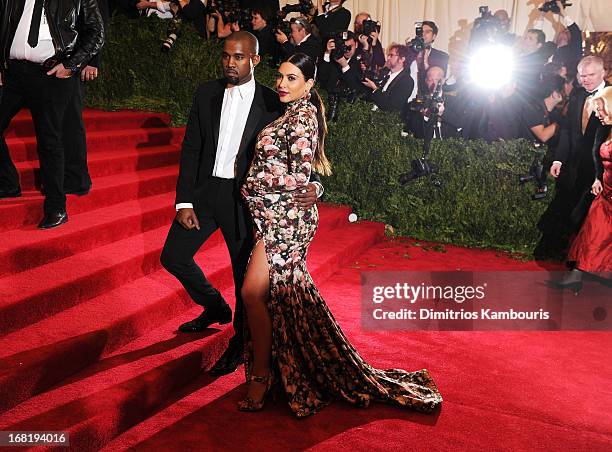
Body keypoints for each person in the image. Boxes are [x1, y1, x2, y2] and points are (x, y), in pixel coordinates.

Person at [237, 52, 443, 416]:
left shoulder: (303, 119)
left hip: (287, 221)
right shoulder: (290, 112)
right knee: (281, 300)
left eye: (292, 79)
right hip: (275, 217)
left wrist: (255, 181)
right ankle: (284, 368)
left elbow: (299, 177)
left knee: (253, 293)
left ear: (309, 84)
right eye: (281, 77)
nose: (282, 85)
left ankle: (262, 376)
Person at [159, 32, 322, 377]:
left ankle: (238, 345)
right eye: (226, 56)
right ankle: (213, 305)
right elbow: (190, 149)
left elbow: (305, 149)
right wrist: (184, 201)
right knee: (172, 256)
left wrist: (317, 185)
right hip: (204, 195)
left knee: (242, 278)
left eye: (238, 57)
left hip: (244, 202)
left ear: (254, 60)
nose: (230, 63)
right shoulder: (206, 93)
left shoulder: (274, 101)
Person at [0, 0, 104, 229]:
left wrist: (72, 65)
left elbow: (96, 31)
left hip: (52, 72)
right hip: (14, 73)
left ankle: (57, 207)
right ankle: (7, 183)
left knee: (50, 141)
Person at [552, 87, 612, 291]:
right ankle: (575, 275)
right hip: (605, 192)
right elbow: (597, 154)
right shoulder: (605, 128)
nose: (598, 115)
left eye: (602, 111)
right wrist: (597, 178)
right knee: (592, 231)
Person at [62, 0, 110, 196]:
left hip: (75, 60)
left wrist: (91, 61)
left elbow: (99, 23)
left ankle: (76, 179)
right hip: (47, 60)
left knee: (71, 121)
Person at [361, 44, 414, 113]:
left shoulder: (406, 81)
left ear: (402, 59)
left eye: (391, 55)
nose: (388, 58)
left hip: (387, 121)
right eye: (388, 55)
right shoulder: (384, 73)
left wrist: (375, 88)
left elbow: (391, 106)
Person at [407, 21, 449, 95]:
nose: (423, 34)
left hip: (428, 97)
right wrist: (405, 51)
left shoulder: (442, 56)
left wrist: (425, 63)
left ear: (434, 36)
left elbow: (439, 81)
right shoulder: (409, 52)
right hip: (407, 97)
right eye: (421, 32)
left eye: (427, 32)